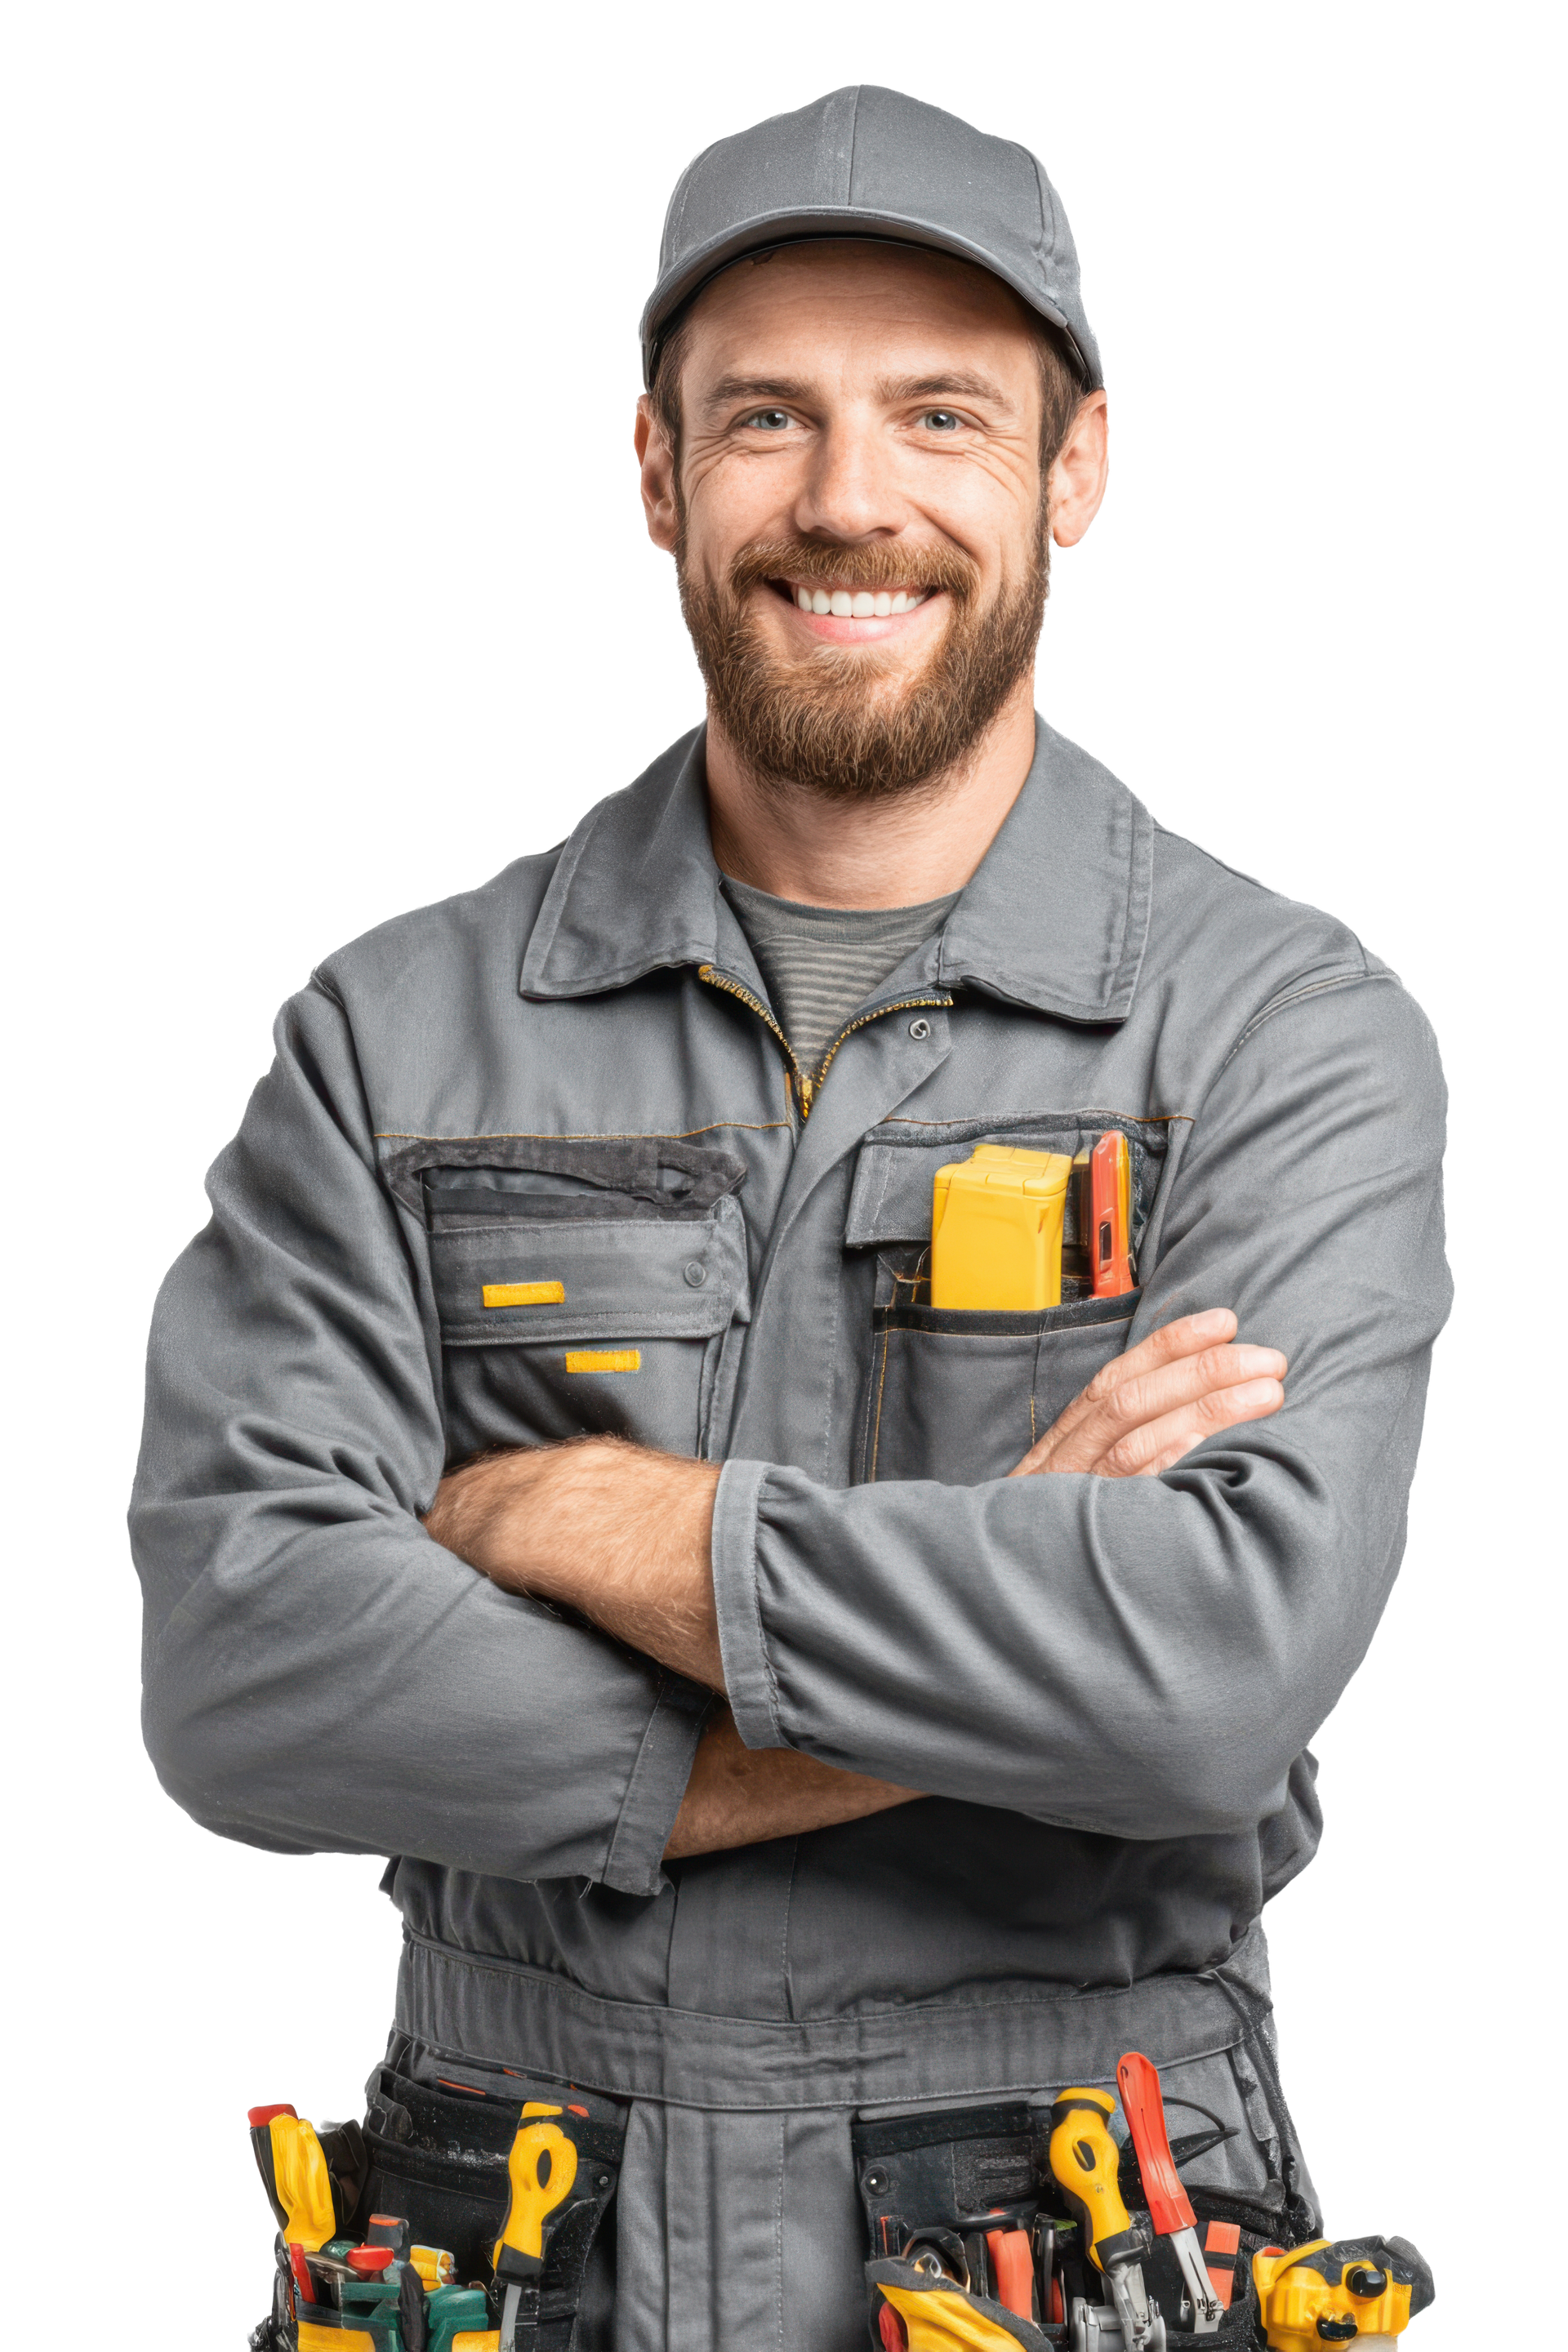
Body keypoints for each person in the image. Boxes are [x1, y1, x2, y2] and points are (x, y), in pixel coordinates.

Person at [131, 84, 1452, 2350]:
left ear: (1075, 466)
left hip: (1076, 2208)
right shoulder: (395, 1034)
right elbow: (246, 1679)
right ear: (658, 472)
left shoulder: (1278, 1031)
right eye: (767, 417)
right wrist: (972, 1644)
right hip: (512, 2222)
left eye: (941, 414)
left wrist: (582, 1522)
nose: (849, 500)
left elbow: (1206, 1677)